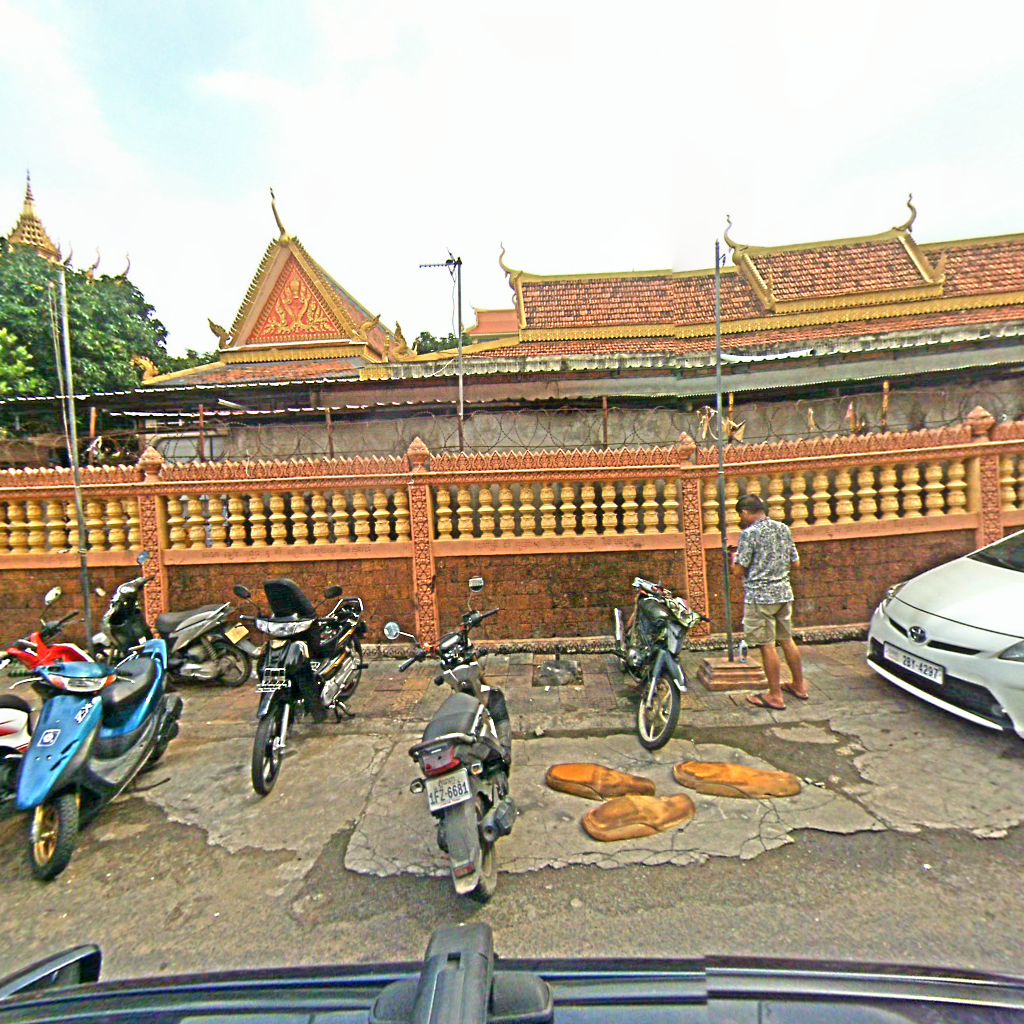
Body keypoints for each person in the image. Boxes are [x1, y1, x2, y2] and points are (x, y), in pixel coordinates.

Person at [732, 493, 808, 710]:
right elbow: (796, 563)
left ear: (745, 512)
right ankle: (799, 685)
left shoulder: (750, 534)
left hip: (760, 597)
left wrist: (733, 559)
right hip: (784, 593)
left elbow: (738, 571)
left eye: (741, 515)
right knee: (787, 639)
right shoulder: (783, 529)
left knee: (767, 645)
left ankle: (775, 695)